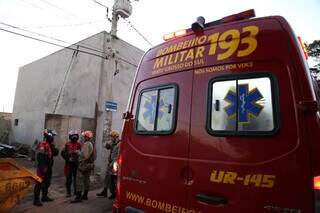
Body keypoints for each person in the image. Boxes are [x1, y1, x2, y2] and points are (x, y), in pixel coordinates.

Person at [33, 129, 59, 207]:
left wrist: (53, 147)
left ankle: (44, 196)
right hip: (42, 167)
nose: (53, 138)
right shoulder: (43, 144)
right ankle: (36, 199)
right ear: (49, 136)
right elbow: (40, 157)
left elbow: (55, 153)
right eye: (52, 136)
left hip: (49, 167)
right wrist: (42, 168)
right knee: (39, 183)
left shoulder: (50, 145)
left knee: (47, 183)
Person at [71, 130, 95, 203]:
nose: (83, 137)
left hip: (84, 164)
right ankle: (85, 195)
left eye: (84, 136)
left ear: (86, 137)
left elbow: (85, 155)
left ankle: (78, 197)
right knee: (86, 180)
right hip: (89, 165)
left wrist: (78, 152)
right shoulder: (92, 143)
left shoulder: (87, 144)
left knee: (79, 180)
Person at [96, 130, 120, 200]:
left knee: (113, 179)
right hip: (110, 163)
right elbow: (107, 147)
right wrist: (108, 144)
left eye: (112, 137)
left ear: (115, 137)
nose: (111, 138)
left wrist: (113, 164)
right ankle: (105, 191)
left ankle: (114, 193)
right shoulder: (113, 143)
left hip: (115, 164)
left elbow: (117, 156)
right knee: (107, 177)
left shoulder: (119, 144)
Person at [61, 130, 81, 197]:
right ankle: (68, 192)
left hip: (76, 164)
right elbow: (62, 153)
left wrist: (77, 157)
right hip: (68, 164)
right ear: (70, 137)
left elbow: (81, 153)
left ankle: (75, 192)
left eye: (76, 136)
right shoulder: (67, 144)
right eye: (73, 136)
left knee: (76, 179)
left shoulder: (79, 144)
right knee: (68, 179)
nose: (74, 137)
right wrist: (68, 158)